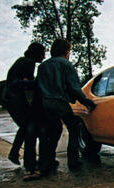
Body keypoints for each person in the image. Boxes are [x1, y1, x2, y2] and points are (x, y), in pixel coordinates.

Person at [37, 39, 96, 171]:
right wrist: (87, 102)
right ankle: (73, 161)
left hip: (45, 104)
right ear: (66, 51)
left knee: (53, 131)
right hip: (59, 103)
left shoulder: (42, 67)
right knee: (74, 128)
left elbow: (37, 88)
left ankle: (48, 162)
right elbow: (74, 88)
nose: (70, 53)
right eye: (69, 51)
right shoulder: (65, 64)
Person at [4, 42, 45, 167]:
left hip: (10, 98)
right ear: (36, 53)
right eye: (42, 53)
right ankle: (26, 159)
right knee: (29, 127)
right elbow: (27, 84)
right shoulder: (29, 63)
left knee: (26, 126)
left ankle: (16, 153)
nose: (43, 57)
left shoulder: (22, 61)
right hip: (15, 98)